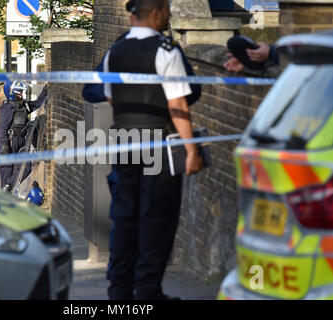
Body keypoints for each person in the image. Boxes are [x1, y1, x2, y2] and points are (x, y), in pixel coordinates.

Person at [103, 0, 203, 300]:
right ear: (158, 13)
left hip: (124, 142)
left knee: (124, 216)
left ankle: (119, 291)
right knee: (156, 218)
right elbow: (177, 104)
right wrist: (192, 150)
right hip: (159, 145)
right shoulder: (166, 50)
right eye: (168, 12)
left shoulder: (114, 51)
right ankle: (148, 291)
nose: (169, 17)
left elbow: (111, 99)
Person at [0, 81, 48, 192]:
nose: (22, 95)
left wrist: (45, 90)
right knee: (6, 169)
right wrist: (4, 145)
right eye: (19, 92)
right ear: (13, 93)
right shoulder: (8, 108)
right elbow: (2, 128)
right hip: (10, 141)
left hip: (22, 141)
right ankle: (4, 194)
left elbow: (37, 103)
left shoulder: (24, 105)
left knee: (26, 167)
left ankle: (8, 185)